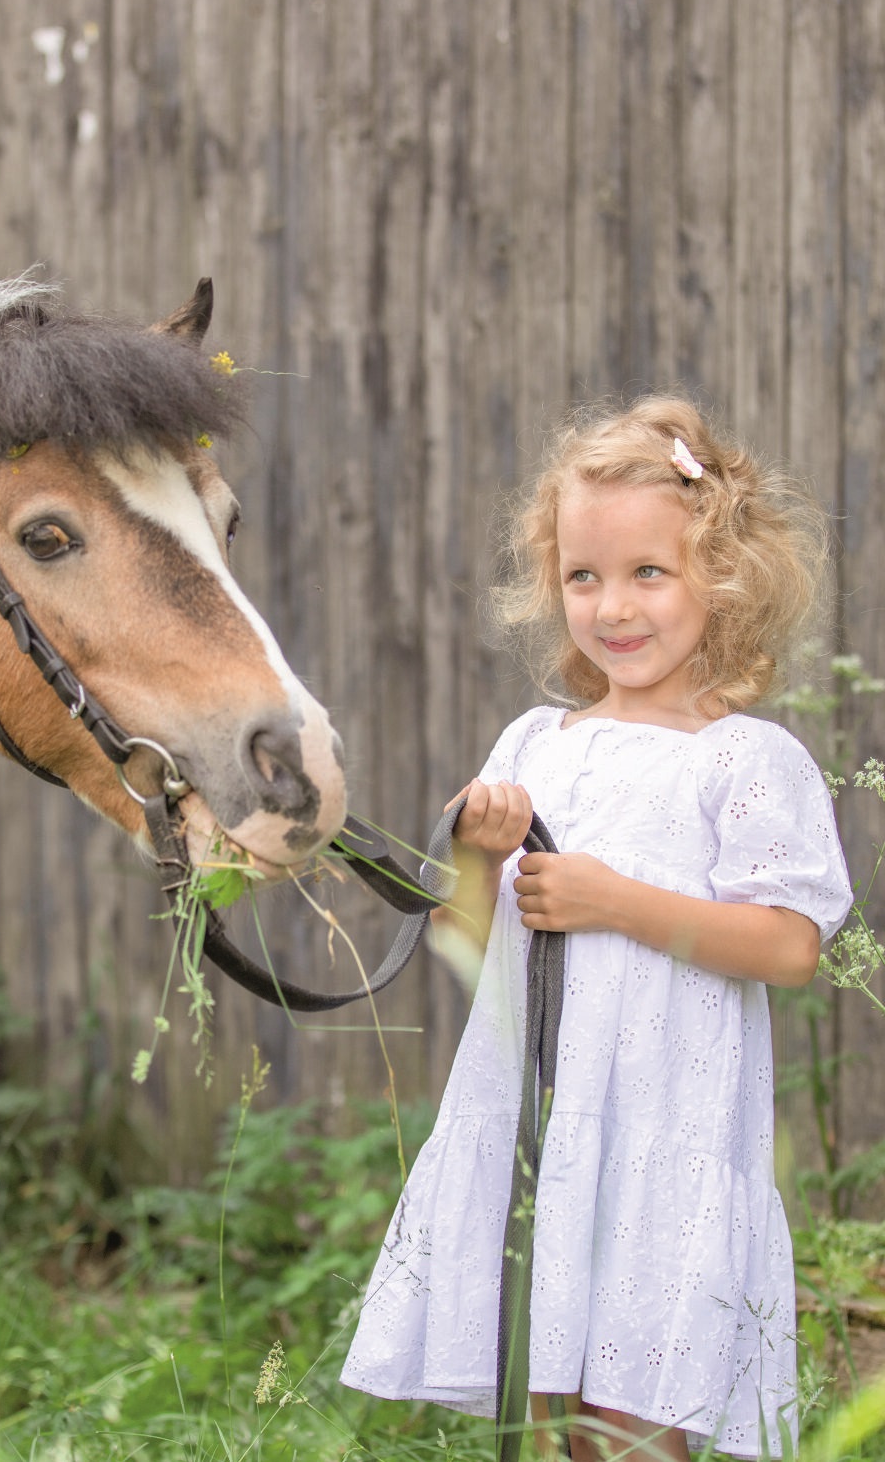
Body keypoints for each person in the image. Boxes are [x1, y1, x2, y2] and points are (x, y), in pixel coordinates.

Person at [341, 397, 854, 1459]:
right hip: (546, 1130)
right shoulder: (535, 741)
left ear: (721, 578)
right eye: (582, 576)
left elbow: (788, 946)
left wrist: (612, 899)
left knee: (632, 1424)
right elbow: (478, 936)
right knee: (558, 1415)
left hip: (663, 1126)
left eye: (645, 574)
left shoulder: (744, 759)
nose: (610, 606)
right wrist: (481, 848)